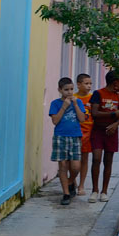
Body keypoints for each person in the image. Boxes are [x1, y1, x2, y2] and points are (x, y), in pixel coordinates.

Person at [88, 71, 119, 203]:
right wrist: (111, 115)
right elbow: (94, 113)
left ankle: (104, 191)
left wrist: (115, 124)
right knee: (96, 158)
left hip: (112, 132)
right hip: (98, 130)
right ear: (115, 82)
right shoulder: (98, 94)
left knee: (108, 161)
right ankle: (94, 190)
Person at [49, 77, 86, 205]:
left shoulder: (79, 102)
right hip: (60, 136)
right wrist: (64, 107)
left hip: (75, 136)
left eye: (71, 89)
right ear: (60, 90)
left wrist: (75, 104)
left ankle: (71, 181)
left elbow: (82, 119)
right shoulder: (55, 103)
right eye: (66, 90)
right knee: (63, 165)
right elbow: (55, 121)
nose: (69, 92)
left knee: (76, 166)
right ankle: (66, 193)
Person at [74, 73, 93, 196]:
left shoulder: (92, 98)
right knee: (74, 160)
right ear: (79, 84)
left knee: (85, 159)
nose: (89, 86)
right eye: (86, 84)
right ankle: (73, 182)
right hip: (75, 131)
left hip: (89, 131)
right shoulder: (73, 97)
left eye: (90, 84)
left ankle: (81, 185)